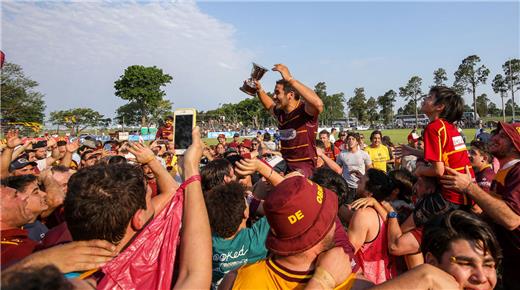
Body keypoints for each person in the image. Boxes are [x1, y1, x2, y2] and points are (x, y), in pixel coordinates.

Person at [63, 127, 212, 288]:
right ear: (137, 219)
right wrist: (191, 169)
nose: (154, 201)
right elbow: (194, 274)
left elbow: (170, 192)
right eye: (149, 198)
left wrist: (151, 160)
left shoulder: (60, 276)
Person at [220, 176, 357, 290]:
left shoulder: (234, 281)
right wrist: (323, 283)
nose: (335, 222)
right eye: (329, 216)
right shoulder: (348, 282)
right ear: (317, 234)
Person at [440, 121, 520, 288]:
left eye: (504, 136)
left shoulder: (518, 172)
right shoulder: (505, 172)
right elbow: (494, 214)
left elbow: (511, 219)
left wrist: (469, 187)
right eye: (497, 133)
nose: (495, 137)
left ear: (516, 145)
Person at [254, 64, 323, 177]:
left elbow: (318, 104)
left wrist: (290, 80)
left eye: (277, 93)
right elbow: (269, 106)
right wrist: (259, 90)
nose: (274, 96)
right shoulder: (281, 112)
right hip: (285, 164)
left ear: (290, 95)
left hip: (305, 167)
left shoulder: (304, 111)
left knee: (285, 183)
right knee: (258, 177)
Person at [415, 86, 475, 208]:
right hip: (467, 196)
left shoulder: (433, 128)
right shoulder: (448, 126)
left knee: (405, 227)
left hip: (451, 197)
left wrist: (419, 170)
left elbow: (438, 170)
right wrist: (413, 151)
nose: (425, 99)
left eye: (430, 97)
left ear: (439, 106)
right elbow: (446, 157)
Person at [204, 182, 270, 289]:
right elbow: (286, 207)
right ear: (245, 213)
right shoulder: (257, 239)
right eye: (247, 201)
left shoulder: (202, 244)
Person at [347, 169, 397, 284]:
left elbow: (347, 252)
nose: (358, 181)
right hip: (387, 279)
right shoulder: (385, 211)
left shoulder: (363, 215)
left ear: (369, 194)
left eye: (362, 180)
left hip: (367, 282)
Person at [336, 132, 372, 197]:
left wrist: (367, 183)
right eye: (349, 139)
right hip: (347, 186)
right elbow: (337, 169)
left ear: (357, 142)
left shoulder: (364, 154)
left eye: (353, 139)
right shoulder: (342, 154)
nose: (351, 141)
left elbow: (370, 170)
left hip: (361, 186)